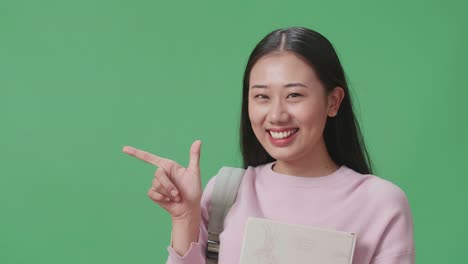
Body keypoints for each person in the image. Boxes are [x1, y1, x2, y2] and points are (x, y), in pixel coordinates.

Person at [122, 27, 415, 264]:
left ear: (333, 101)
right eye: (262, 96)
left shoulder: (381, 204)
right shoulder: (226, 192)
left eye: (294, 95)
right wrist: (185, 218)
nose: (276, 115)